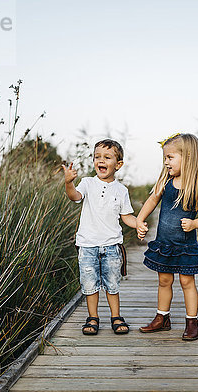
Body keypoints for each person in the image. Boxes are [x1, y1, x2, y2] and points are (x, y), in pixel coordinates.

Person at [136, 133, 198, 340]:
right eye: (165, 158)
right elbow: (152, 200)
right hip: (164, 244)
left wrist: (195, 223)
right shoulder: (166, 181)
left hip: (184, 246)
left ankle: (192, 321)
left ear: (188, 158)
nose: (166, 163)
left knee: (187, 282)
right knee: (164, 280)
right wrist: (140, 220)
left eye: (170, 158)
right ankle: (162, 317)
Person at [63, 139, 137, 335]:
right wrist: (68, 182)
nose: (100, 161)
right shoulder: (87, 183)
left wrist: (138, 223)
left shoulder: (121, 190)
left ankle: (116, 316)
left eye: (107, 157)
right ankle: (93, 317)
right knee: (89, 284)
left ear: (118, 164)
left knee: (112, 284)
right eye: (97, 157)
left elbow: (126, 216)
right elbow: (75, 197)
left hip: (112, 246)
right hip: (87, 246)